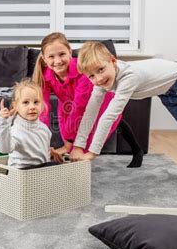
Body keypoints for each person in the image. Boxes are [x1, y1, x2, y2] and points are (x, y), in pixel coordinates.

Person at [71, 41, 177, 190]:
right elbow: (90, 113)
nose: (98, 79)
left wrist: (92, 152)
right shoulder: (101, 83)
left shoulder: (129, 76)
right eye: (91, 75)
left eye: (101, 70)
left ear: (113, 61)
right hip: (167, 92)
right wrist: (78, 145)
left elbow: (109, 116)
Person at [32, 32, 143, 167]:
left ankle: (137, 150)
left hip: (95, 102)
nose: (58, 61)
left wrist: (68, 145)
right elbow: (43, 107)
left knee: (107, 121)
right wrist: (42, 140)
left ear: (69, 51)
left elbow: (80, 106)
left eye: (62, 54)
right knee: (73, 144)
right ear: (44, 58)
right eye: (51, 56)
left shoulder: (81, 71)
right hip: (67, 108)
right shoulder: (45, 75)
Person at [0, 78, 60, 169]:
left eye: (36, 102)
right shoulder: (16, 131)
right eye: (26, 102)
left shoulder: (44, 128)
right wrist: (4, 123)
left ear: (42, 104)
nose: (32, 107)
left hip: (41, 173)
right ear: (15, 106)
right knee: (52, 167)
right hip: (21, 174)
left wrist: (49, 152)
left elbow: (39, 149)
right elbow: (4, 149)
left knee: (56, 165)